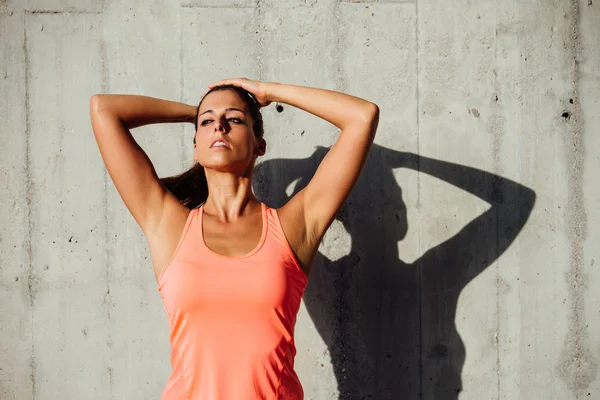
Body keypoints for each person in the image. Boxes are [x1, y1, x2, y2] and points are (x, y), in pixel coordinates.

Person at [89, 78, 380, 399]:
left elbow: (361, 116)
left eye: (235, 119)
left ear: (260, 144)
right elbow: (104, 109)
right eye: (208, 122)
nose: (220, 127)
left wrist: (268, 92)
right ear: (196, 146)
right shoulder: (167, 223)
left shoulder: (294, 226)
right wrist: (194, 113)